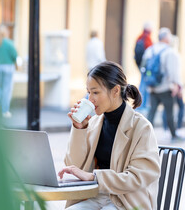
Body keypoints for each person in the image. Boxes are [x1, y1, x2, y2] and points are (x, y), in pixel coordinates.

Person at [58, 61, 160, 210]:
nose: (90, 99)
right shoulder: (93, 123)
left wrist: (95, 177)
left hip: (126, 200)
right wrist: (79, 129)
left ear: (115, 91)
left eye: (96, 92)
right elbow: (75, 165)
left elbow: (138, 177)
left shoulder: (141, 127)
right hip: (95, 195)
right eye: (89, 92)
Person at [142, 27, 185, 142]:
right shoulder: (169, 51)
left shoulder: (150, 50)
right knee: (169, 112)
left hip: (152, 87)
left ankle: (145, 136)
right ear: (166, 38)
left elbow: (143, 66)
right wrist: (177, 85)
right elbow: (173, 71)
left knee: (152, 112)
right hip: (165, 87)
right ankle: (173, 134)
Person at [0, 25, 17, 118]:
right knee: (7, 89)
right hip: (8, 68)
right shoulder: (9, 43)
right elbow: (15, 55)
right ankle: (5, 110)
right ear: (6, 33)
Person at [162, 36, 184, 134]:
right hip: (173, 86)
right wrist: (178, 87)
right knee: (177, 107)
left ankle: (166, 129)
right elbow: (174, 73)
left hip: (165, 85)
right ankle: (176, 129)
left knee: (167, 108)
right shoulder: (173, 54)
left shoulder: (164, 52)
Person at [135, 22, 153, 113]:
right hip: (147, 67)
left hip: (140, 65)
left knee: (142, 84)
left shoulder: (139, 37)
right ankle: (143, 105)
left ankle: (140, 105)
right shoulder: (147, 38)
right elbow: (150, 53)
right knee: (145, 85)